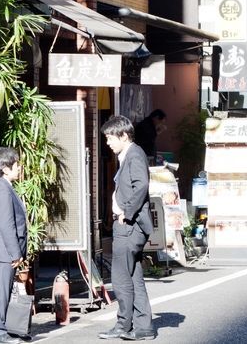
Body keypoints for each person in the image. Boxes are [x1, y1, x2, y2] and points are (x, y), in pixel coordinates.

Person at [100, 115, 156, 341]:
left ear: (123, 136)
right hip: (131, 225)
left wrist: (126, 213)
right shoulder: (130, 155)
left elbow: (141, 184)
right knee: (133, 276)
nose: (108, 143)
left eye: (110, 138)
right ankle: (144, 327)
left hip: (129, 226)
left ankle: (123, 324)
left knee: (121, 277)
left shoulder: (134, 155)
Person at [0, 147, 28, 344]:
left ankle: (2, 328)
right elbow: (6, 223)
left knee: (4, 290)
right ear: (5, 167)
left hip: (4, 249)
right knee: (1, 292)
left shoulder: (2, 187)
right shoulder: (1, 189)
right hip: (4, 249)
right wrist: (15, 253)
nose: (19, 168)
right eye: (16, 164)